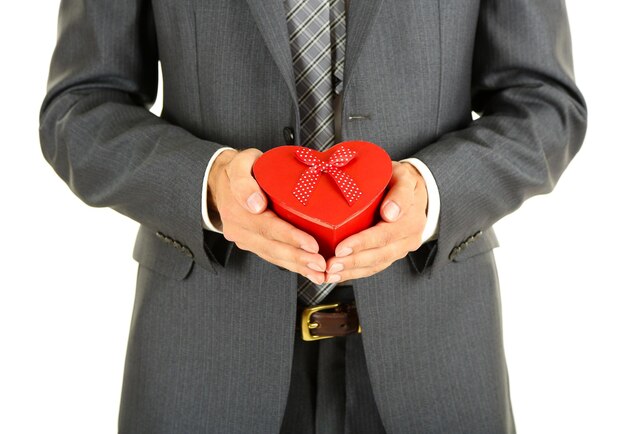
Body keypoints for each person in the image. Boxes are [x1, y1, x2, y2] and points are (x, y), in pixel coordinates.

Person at [39, 0, 587, 432]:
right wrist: (206, 182)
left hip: (437, 359)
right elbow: (80, 109)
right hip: (201, 360)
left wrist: (434, 191)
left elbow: (544, 106)